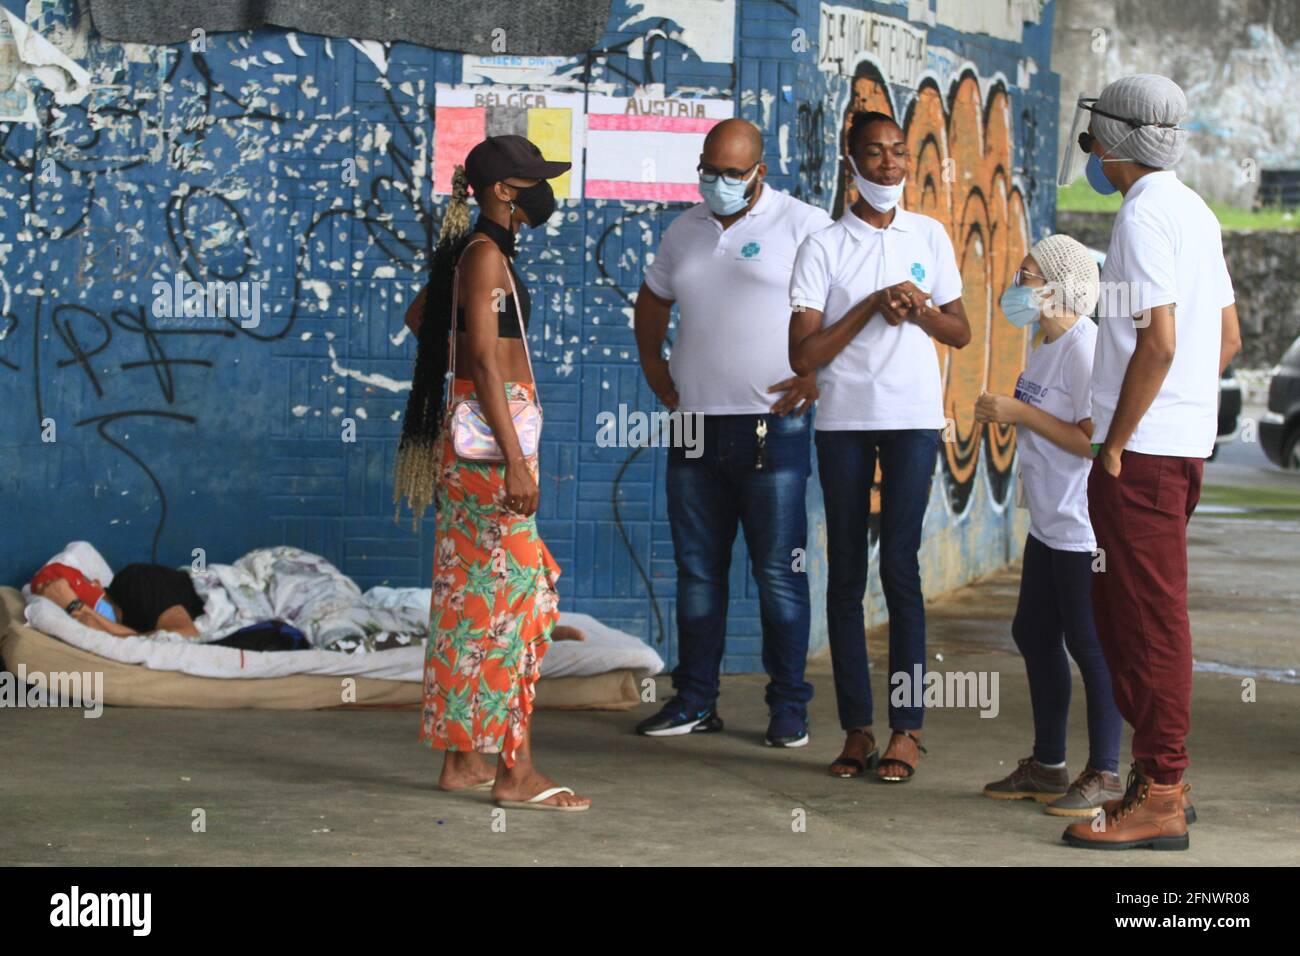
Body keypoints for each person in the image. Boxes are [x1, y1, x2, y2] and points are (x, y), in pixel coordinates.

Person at [1056, 74, 1240, 850]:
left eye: (1095, 127)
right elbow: (1225, 340)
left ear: (1118, 138)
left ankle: (1161, 791)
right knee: (1137, 615)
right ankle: (1161, 779)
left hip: (1146, 456)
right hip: (1179, 447)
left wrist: (1120, 439)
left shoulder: (1140, 217)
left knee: (1146, 623)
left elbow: (1159, 340)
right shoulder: (1192, 210)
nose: (1088, 142)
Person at [394, 134, 591, 812]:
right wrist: (512, 457)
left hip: (469, 450)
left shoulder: (471, 255)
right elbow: (481, 360)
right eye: (533, 181)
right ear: (506, 192)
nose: (544, 192)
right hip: (490, 454)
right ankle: (516, 771)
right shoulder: (484, 261)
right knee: (524, 605)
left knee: (468, 600)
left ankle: (461, 760)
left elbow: (422, 318)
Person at [632, 118, 831, 747]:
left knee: (777, 572)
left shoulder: (804, 225)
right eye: (709, 169)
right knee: (697, 570)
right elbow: (653, 298)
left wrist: (816, 372)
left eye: (732, 173)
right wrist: (655, 368)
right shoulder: (684, 230)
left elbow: (847, 303)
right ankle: (695, 701)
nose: (717, 182)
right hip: (693, 423)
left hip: (772, 426)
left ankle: (789, 707)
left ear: (759, 172)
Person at [788, 110, 970, 782]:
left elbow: (960, 332)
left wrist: (917, 306)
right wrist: (868, 304)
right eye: (876, 152)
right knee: (845, 577)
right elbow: (802, 353)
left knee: (901, 567)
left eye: (899, 152)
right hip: (843, 422)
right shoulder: (824, 246)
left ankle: (907, 730)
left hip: (913, 420)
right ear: (851, 161)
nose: (891, 164)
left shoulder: (931, 234)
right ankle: (857, 730)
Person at [973, 235, 1125, 816]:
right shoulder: (1045, 344)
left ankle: (1106, 773)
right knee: (1034, 634)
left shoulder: (1085, 349)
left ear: (1058, 288)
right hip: (1048, 523)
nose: (1018, 282)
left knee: (1091, 646)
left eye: (1027, 273)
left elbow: (1094, 442)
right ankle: (1048, 763)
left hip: (1083, 529)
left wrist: (1018, 413)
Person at [30, 561, 206, 638]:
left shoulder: (133, 581)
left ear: (96, 584)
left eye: (81, 598)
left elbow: (185, 635)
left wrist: (80, 608)